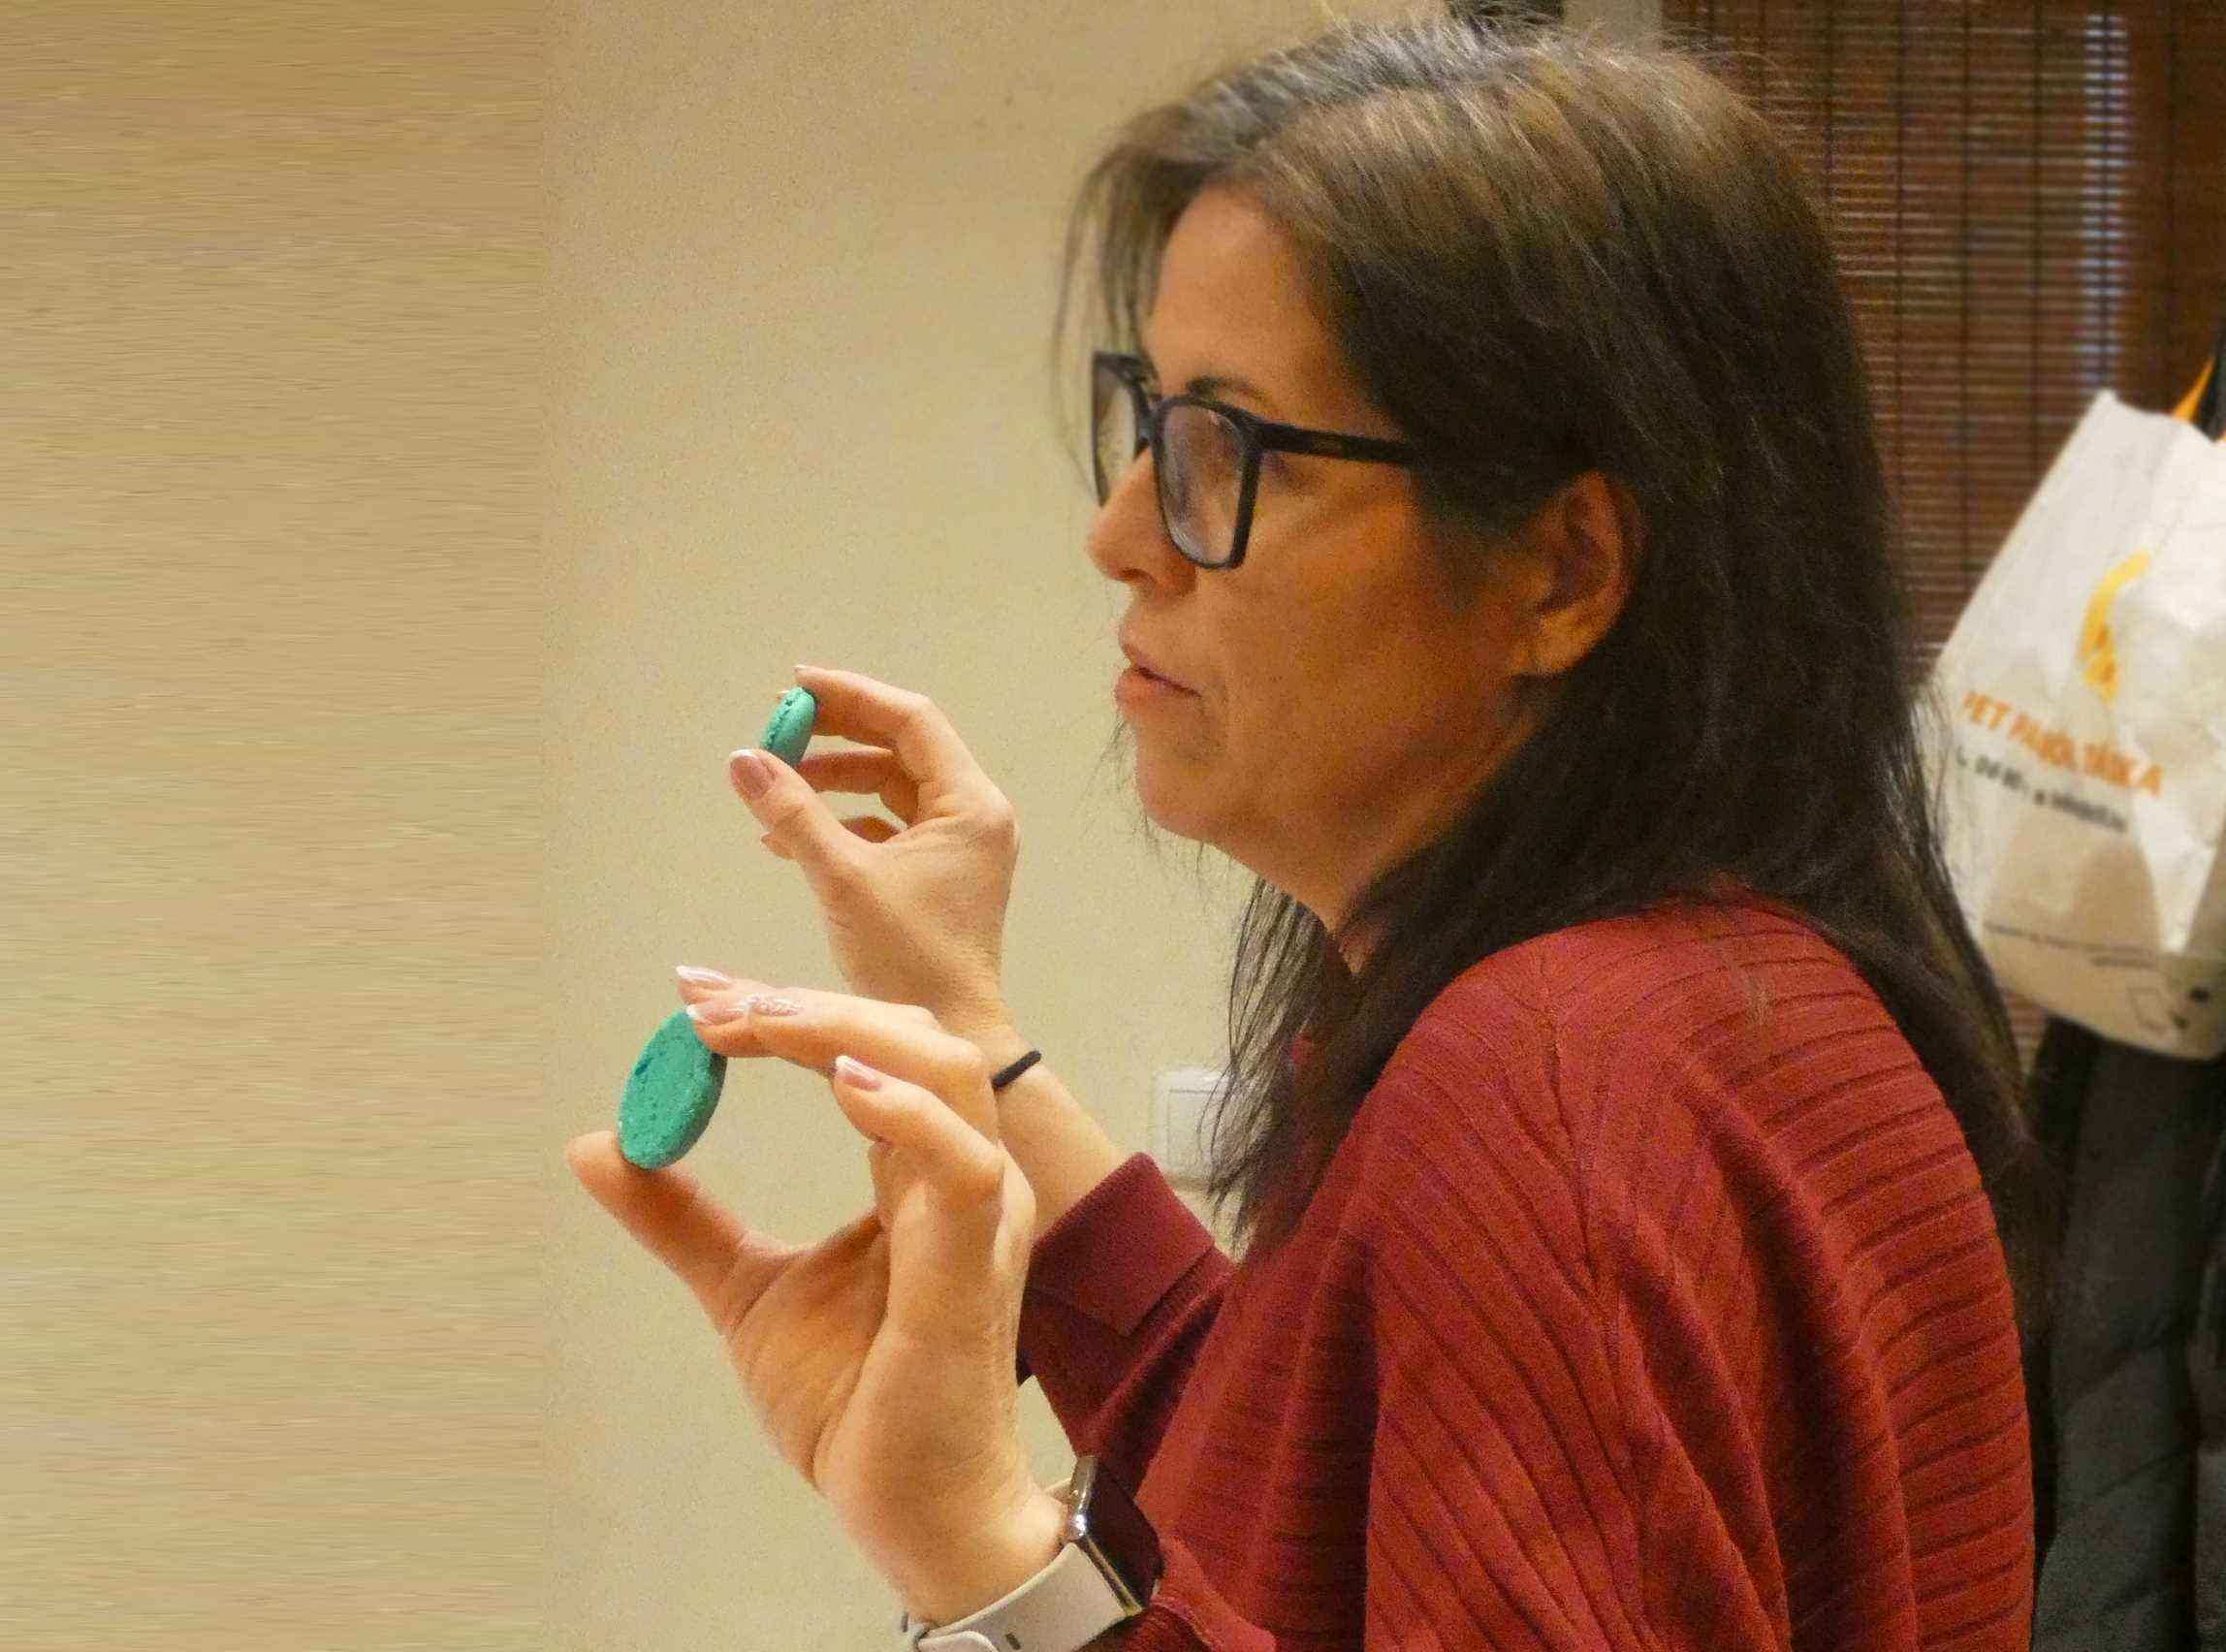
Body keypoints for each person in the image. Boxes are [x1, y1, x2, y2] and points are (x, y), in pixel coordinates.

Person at [567, 16, 2052, 1649]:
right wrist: (967, 1031)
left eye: (1228, 448)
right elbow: (1329, 1495)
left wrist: (984, 1557)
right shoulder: (1738, 999)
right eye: (1152, 421)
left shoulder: (1550, 1085)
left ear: (1562, 572)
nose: (1121, 532)